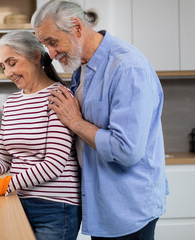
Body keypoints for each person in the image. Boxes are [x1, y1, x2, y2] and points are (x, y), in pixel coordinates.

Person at [31, 1, 168, 239]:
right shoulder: (82, 67)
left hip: (128, 207)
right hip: (102, 203)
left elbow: (126, 150)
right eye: (46, 45)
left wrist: (74, 122)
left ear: (76, 27)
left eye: (53, 42)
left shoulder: (127, 67)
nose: (51, 54)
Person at [0, 30, 82, 240]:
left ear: (36, 57)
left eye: (12, 62)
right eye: (3, 66)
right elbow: (3, 159)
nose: (8, 72)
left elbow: (54, 164)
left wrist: (2, 185)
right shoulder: (11, 104)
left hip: (55, 207)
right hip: (16, 200)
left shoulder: (59, 97)